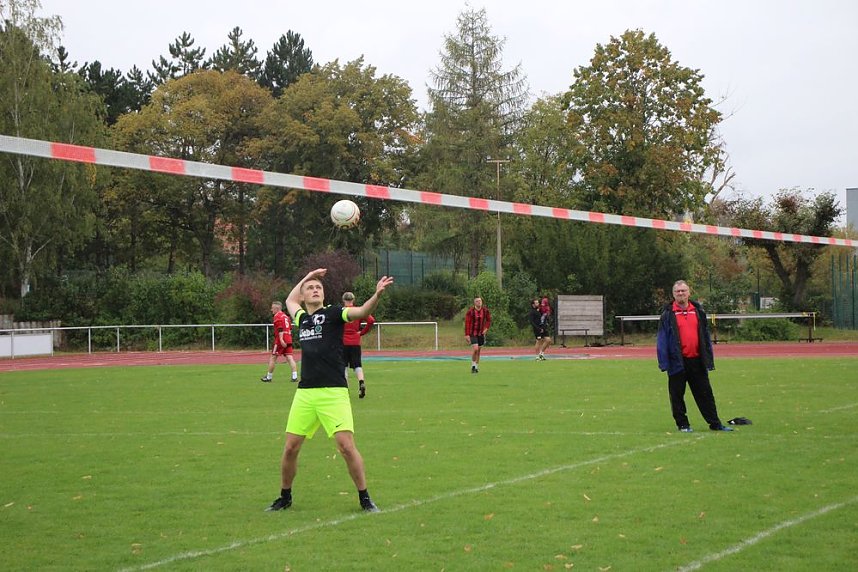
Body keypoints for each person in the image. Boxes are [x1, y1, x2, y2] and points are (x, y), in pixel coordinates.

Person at [266, 269, 394, 513]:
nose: (315, 289)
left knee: (346, 446)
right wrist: (308, 275)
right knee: (291, 447)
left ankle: (365, 498)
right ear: (304, 295)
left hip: (333, 391)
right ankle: (285, 496)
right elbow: (289, 301)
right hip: (305, 393)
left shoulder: (334, 313)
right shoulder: (301, 317)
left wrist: (376, 295)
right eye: (310, 288)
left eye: (319, 287)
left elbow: (362, 312)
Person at [656, 280, 733, 433]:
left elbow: (705, 336)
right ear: (673, 294)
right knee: (677, 396)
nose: (681, 294)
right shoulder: (667, 314)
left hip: (697, 360)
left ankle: (715, 423)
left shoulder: (698, 311)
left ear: (689, 292)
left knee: (705, 394)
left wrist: (709, 358)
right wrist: (664, 362)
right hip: (677, 362)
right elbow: (662, 339)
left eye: (683, 291)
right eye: (678, 292)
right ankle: (683, 424)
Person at [342, 291, 376, 399]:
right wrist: (361, 332)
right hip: (355, 341)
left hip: (342, 342)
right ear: (353, 300)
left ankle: (345, 389)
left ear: (343, 300)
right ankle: (361, 382)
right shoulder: (358, 311)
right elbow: (371, 320)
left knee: (343, 366)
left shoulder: (341, 311)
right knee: (357, 365)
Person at [260, 301, 298, 383]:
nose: (271, 310)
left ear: (276, 308)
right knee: (290, 358)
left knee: (273, 357)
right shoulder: (286, 317)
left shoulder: (277, 316)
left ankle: (269, 377)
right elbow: (290, 328)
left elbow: (280, 329)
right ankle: (294, 376)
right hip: (289, 338)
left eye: (272, 308)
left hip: (281, 339)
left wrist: (281, 340)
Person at [464, 296, 491, 374]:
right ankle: (472, 366)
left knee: (478, 351)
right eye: (477, 301)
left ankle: (476, 367)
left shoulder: (485, 311)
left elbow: (488, 320)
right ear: (474, 303)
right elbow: (467, 323)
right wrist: (467, 334)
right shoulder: (470, 312)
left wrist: (486, 328)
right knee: (475, 349)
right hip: (473, 333)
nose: (479, 302)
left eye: (480, 301)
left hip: (481, 334)